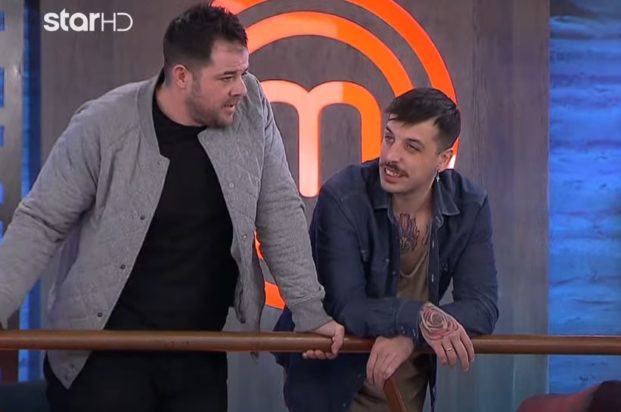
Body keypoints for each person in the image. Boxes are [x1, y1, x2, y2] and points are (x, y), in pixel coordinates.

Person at [0, 3, 344, 411]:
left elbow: (279, 210)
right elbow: (41, 222)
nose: (241, 88)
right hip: (102, 352)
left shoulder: (252, 107)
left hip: (197, 349)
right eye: (227, 77)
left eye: (243, 72)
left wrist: (309, 311)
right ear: (182, 76)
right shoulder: (104, 123)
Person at [275, 88, 499, 411]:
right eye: (389, 138)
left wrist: (411, 335)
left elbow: (482, 307)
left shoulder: (469, 204)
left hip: (404, 388)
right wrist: (418, 318)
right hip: (331, 385)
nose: (391, 156)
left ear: (443, 159)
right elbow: (347, 305)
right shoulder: (343, 196)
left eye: (411, 147)